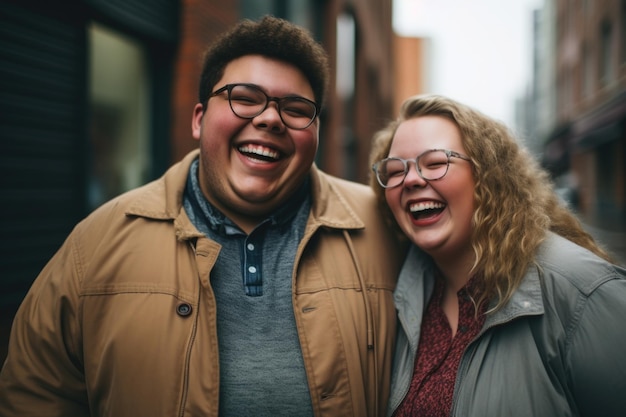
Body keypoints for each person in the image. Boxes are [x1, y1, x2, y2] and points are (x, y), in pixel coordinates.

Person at [0, 16, 406, 417]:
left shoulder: (385, 228)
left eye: (296, 109)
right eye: (244, 98)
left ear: (316, 134)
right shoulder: (97, 243)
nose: (269, 118)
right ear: (198, 119)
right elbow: (34, 395)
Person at [369, 94, 626, 417]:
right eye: (395, 171)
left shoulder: (583, 291)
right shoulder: (404, 289)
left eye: (435, 163)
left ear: (487, 175)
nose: (411, 179)